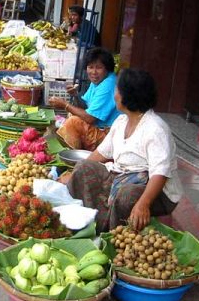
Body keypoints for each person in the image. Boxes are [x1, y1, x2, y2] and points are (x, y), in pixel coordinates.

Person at [65, 68, 182, 233]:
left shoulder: (155, 129)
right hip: (121, 177)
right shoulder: (121, 122)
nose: (115, 95)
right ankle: (89, 224)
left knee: (126, 195)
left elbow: (160, 173)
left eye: (117, 90)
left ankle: (112, 237)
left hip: (156, 192)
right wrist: (73, 175)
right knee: (83, 168)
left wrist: (143, 204)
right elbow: (101, 154)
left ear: (128, 96)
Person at [48, 48, 120, 151]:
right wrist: (75, 95)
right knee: (73, 114)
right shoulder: (98, 81)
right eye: (90, 67)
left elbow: (90, 118)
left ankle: (76, 157)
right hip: (101, 128)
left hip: (109, 135)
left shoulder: (108, 84)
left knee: (73, 122)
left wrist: (65, 105)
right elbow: (86, 107)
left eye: (99, 68)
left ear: (107, 69)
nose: (94, 72)